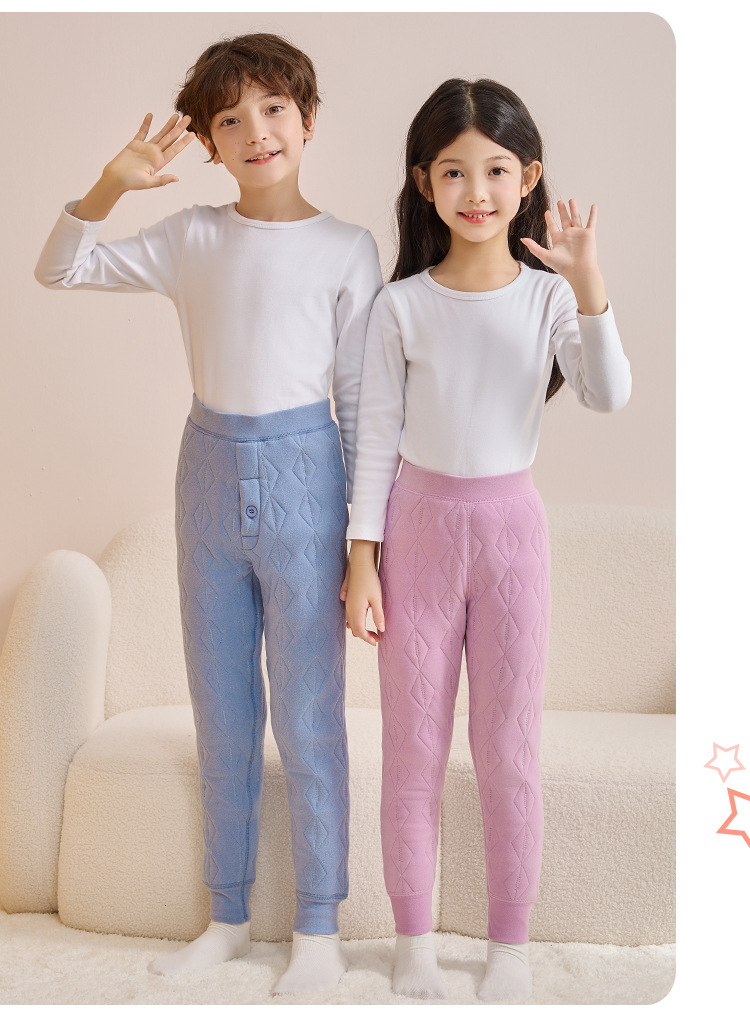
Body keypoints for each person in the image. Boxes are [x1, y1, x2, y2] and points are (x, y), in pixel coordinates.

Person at [34, 32, 382, 994]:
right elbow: (59, 270)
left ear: (307, 121)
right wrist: (108, 188)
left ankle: (319, 927)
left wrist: (364, 550)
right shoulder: (190, 236)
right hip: (208, 480)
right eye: (229, 119)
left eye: (273, 109)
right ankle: (226, 916)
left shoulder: (348, 249)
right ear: (209, 142)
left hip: (309, 480)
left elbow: (364, 407)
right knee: (223, 711)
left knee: (309, 714)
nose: (255, 130)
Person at [343, 78, 631, 1003]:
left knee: (508, 750)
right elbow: (375, 439)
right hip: (417, 536)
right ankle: (413, 941)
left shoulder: (550, 299)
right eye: (455, 171)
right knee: (412, 750)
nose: (476, 190)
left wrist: (590, 287)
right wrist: (361, 562)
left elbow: (608, 393)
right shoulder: (401, 306)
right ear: (424, 182)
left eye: (497, 170)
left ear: (529, 178)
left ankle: (512, 945)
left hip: (512, 539)